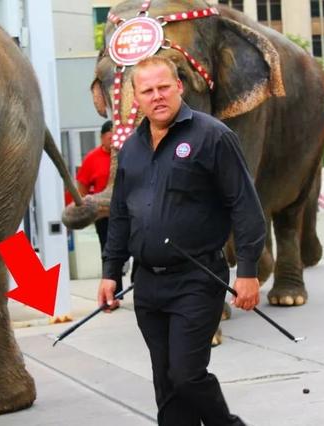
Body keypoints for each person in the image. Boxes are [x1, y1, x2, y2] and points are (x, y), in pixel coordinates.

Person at [97, 56, 265, 426]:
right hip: (148, 283)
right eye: (147, 91)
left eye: (163, 87)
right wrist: (111, 272)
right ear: (135, 99)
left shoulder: (213, 136)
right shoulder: (131, 150)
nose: (157, 96)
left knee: (187, 375)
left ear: (179, 88)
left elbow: (245, 206)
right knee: (167, 385)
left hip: (198, 277)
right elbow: (121, 215)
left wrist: (248, 271)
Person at [76, 120, 124, 303]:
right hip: (104, 214)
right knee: (109, 249)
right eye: (110, 137)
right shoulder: (92, 158)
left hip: (126, 211)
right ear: (102, 137)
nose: (113, 142)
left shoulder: (125, 153)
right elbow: (82, 185)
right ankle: (115, 292)